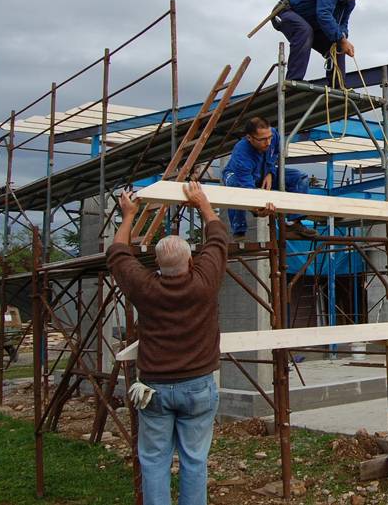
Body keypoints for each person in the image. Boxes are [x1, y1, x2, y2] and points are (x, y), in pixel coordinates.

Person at [107, 181, 227, 505]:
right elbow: (217, 239)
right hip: (198, 387)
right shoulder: (204, 283)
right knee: (194, 460)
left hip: (155, 388)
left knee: (154, 461)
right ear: (190, 262)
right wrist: (202, 203)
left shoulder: (145, 288)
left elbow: (118, 253)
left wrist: (128, 215)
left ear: (157, 266)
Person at [222, 116, 319, 240]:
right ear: (249, 138)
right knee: (235, 187)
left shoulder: (273, 134)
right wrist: (258, 209)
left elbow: (275, 155)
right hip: (239, 177)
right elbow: (247, 188)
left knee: (299, 178)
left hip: (264, 171)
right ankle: (239, 231)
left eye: (269, 138)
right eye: (263, 139)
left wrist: (271, 173)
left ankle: (293, 224)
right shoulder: (241, 153)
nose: (268, 142)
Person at [271, 0, 370, 82]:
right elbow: (324, 15)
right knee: (304, 31)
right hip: (287, 12)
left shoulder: (350, 2)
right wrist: (342, 40)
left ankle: (338, 87)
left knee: (337, 44)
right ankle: (294, 80)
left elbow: (343, 23)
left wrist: (343, 38)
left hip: (312, 24)